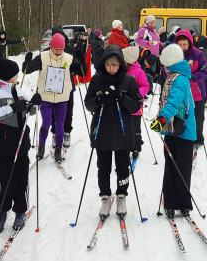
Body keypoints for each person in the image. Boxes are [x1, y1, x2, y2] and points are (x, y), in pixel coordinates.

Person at [84, 46, 142, 218]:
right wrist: (98, 99)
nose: (111, 68)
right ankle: (105, 197)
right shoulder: (97, 80)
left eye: (114, 65)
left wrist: (123, 98)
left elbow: (136, 105)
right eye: (108, 64)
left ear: (121, 65)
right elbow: (88, 104)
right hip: (102, 130)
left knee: (123, 167)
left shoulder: (129, 80)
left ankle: (121, 196)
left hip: (123, 131)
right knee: (103, 167)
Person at [0, 60, 37, 231]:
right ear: (8, 76)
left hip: (21, 142)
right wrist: (12, 108)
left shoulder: (17, 89)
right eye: (16, 73)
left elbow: (29, 111)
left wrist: (33, 104)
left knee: (21, 179)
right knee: (3, 178)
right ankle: (1, 210)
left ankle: (20, 211)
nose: (18, 76)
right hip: (4, 143)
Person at [150, 44, 197, 219]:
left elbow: (173, 102)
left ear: (170, 63)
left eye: (164, 64)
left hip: (184, 131)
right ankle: (170, 203)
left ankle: (184, 204)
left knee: (183, 168)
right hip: (171, 131)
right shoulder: (172, 77)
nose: (163, 67)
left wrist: (161, 120)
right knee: (170, 167)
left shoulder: (180, 80)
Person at [22, 33, 81, 163]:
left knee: (60, 124)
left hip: (62, 97)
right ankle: (41, 147)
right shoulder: (43, 57)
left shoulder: (68, 58)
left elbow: (82, 72)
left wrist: (80, 61)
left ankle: (58, 149)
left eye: (61, 49)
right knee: (47, 122)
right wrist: (27, 62)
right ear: (51, 47)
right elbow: (27, 70)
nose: (58, 52)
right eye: (56, 49)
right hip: (46, 96)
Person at [171, 30, 207, 148]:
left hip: (196, 91)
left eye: (184, 44)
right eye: (179, 45)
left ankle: (198, 138)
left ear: (189, 43)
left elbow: (204, 72)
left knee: (198, 116)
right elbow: (165, 72)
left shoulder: (198, 54)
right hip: (179, 92)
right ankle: (182, 135)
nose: (182, 47)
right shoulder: (173, 55)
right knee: (181, 115)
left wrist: (192, 77)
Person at [123, 46, 150, 159]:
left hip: (135, 106)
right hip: (124, 105)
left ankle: (136, 147)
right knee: (125, 127)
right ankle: (126, 145)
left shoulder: (139, 72)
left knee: (135, 128)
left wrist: (136, 92)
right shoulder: (122, 70)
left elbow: (146, 86)